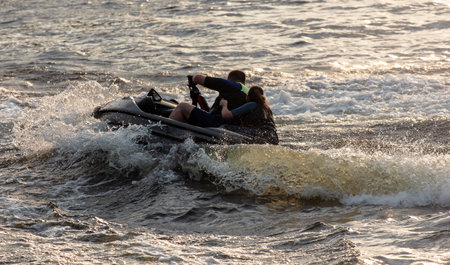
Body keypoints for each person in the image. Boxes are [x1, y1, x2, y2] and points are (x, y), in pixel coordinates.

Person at [169, 85, 278, 144]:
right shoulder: (267, 109)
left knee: (224, 129)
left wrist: (224, 104)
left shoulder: (251, 104)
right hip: (272, 137)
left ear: (248, 97)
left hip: (260, 135)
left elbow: (226, 115)